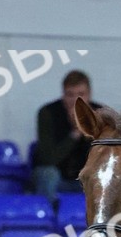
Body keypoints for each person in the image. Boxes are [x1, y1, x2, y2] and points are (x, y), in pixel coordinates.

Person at [32, 70, 102, 201]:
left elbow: (101, 157)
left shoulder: (99, 114)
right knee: (49, 174)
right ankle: (49, 216)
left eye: (81, 94)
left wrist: (86, 129)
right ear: (63, 94)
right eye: (70, 95)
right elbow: (48, 159)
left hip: (84, 180)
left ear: (89, 95)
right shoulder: (47, 113)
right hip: (57, 179)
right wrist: (75, 133)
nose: (76, 100)